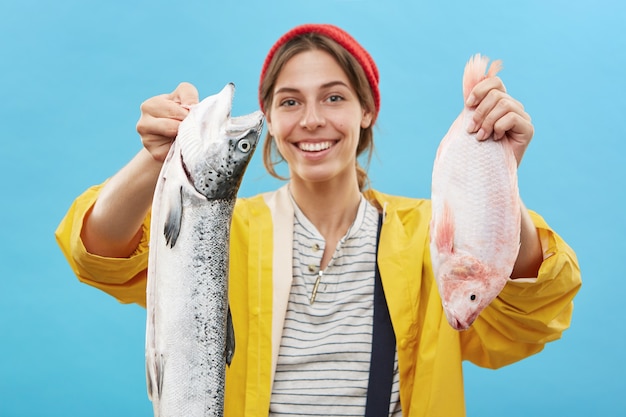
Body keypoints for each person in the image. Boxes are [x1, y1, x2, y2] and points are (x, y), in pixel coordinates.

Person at [55, 23, 581, 417]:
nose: (311, 119)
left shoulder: (428, 235)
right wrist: (155, 161)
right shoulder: (224, 229)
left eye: (334, 97)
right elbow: (99, 254)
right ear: (268, 118)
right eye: (290, 101)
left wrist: (500, 177)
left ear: (366, 109)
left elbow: (530, 319)